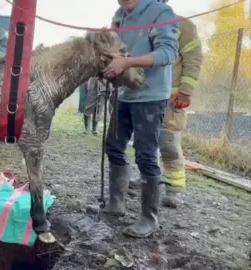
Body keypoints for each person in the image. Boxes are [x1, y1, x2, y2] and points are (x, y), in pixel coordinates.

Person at [95, 0, 179, 238]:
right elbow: (117, 48)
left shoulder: (160, 12)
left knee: (145, 154)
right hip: (124, 93)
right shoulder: (119, 15)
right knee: (113, 147)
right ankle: (116, 203)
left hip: (151, 96)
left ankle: (149, 218)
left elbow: (169, 52)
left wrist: (128, 62)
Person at [128, 0, 203, 209]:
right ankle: (148, 177)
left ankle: (174, 188)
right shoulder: (140, 25)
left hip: (170, 98)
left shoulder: (182, 25)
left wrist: (185, 91)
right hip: (145, 96)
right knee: (144, 142)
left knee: (167, 143)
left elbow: (194, 59)